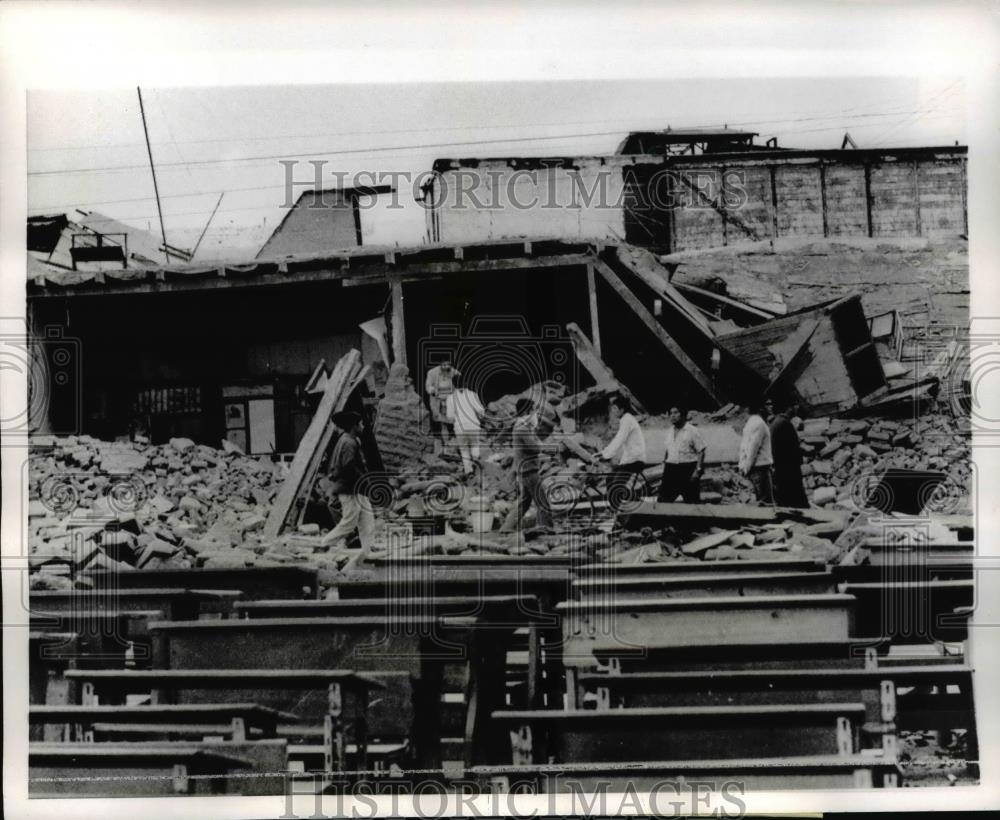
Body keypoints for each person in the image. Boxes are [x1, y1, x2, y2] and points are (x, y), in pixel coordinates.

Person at [320, 410, 375, 555]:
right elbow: (348, 466)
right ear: (354, 426)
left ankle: (367, 552)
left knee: (367, 521)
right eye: (361, 424)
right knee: (350, 521)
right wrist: (363, 479)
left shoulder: (349, 439)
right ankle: (324, 543)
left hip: (356, 488)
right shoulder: (349, 442)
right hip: (350, 488)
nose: (363, 426)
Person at [500, 398, 556, 533]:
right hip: (529, 470)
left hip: (525, 469)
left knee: (524, 503)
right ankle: (546, 528)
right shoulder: (522, 428)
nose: (535, 413)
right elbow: (535, 447)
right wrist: (551, 448)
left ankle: (506, 528)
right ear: (527, 411)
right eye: (533, 410)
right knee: (542, 501)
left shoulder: (524, 427)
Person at [598, 395, 647, 509]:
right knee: (610, 478)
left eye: (615, 408)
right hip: (629, 459)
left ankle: (618, 512)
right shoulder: (625, 419)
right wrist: (604, 453)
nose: (613, 411)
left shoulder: (627, 419)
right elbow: (618, 439)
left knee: (616, 486)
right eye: (612, 408)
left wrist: (605, 454)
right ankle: (617, 508)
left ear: (622, 409)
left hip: (635, 460)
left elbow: (619, 439)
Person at [766, 398, 809, 508]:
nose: (796, 408)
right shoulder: (784, 423)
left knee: (787, 500)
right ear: (788, 408)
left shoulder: (777, 423)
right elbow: (791, 448)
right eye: (794, 406)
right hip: (789, 469)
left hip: (783, 469)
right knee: (796, 501)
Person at [658, 406, 706, 503]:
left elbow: (701, 451)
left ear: (683, 414)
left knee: (692, 503)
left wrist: (697, 471)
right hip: (670, 470)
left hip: (687, 470)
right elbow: (668, 450)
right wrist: (665, 465)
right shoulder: (669, 431)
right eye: (671, 413)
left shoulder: (692, 430)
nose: (673, 416)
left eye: (676, 413)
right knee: (663, 501)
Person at [446, 373, 485, 477]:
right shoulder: (472, 394)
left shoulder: (450, 398)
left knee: (463, 449)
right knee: (475, 444)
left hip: (460, 427)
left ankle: (469, 470)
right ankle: (476, 461)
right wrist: (481, 418)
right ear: (466, 383)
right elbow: (480, 410)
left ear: (453, 385)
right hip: (473, 425)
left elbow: (450, 417)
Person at [738, 401, 775, 505]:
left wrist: (744, 467)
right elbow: (750, 448)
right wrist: (745, 467)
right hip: (759, 468)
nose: (771, 407)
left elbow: (748, 448)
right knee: (764, 500)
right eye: (767, 405)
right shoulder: (757, 423)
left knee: (763, 500)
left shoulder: (754, 423)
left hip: (758, 468)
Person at [425, 359, 460, 450]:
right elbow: (428, 386)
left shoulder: (450, 370)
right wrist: (432, 390)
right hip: (439, 401)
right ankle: (445, 442)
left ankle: (454, 440)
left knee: (453, 421)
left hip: (450, 401)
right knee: (443, 423)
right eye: (444, 365)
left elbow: (457, 373)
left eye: (448, 365)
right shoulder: (432, 373)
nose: (446, 367)